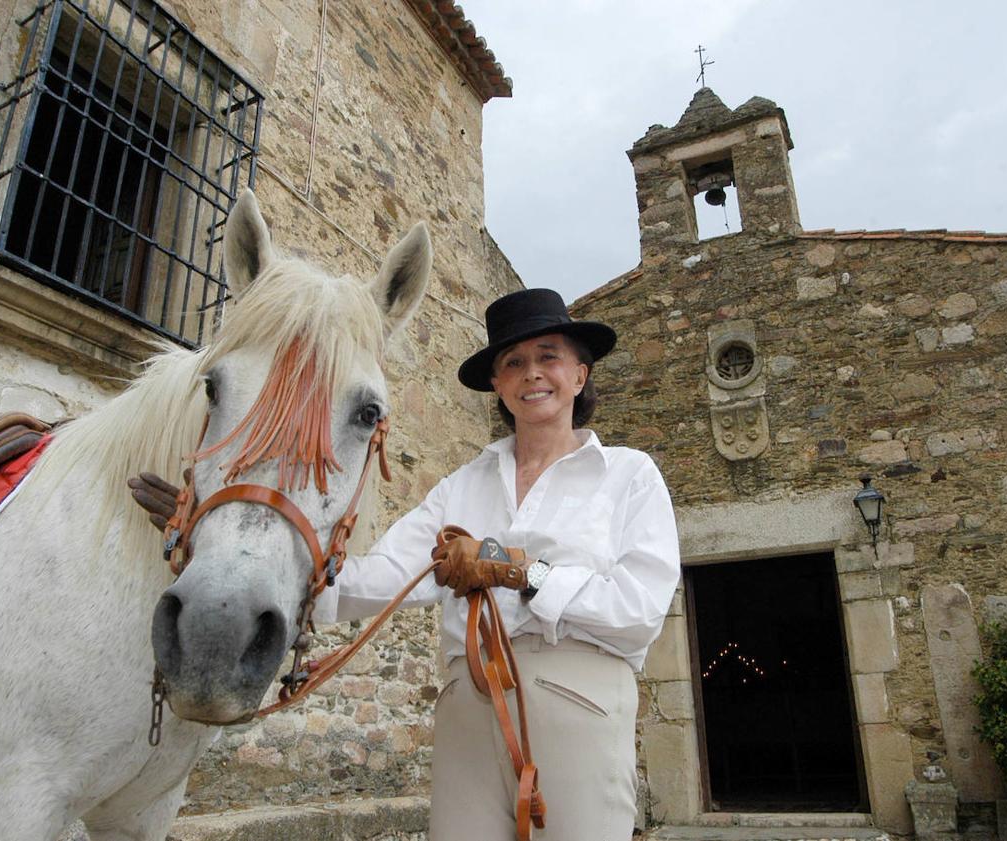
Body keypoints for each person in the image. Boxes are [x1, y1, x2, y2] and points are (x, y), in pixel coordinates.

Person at [134, 288, 681, 840]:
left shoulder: (629, 476)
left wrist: (518, 572)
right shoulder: (460, 486)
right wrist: (219, 548)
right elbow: (378, 578)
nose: (531, 373)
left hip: (579, 703)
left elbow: (638, 610)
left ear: (580, 376)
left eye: (548, 357)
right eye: (513, 362)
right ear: (497, 385)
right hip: (470, 704)